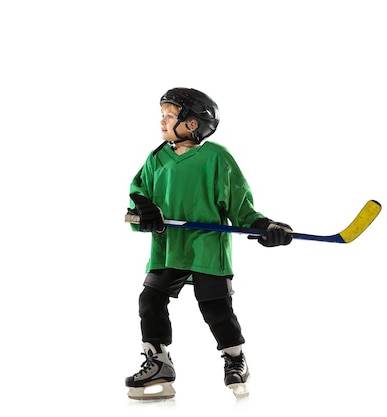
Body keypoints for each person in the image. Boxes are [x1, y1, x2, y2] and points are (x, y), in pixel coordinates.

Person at [124, 87, 293, 400]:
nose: (162, 122)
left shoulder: (217, 158)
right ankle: (158, 361)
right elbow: (139, 194)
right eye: (161, 116)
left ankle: (235, 358)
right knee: (150, 301)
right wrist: (143, 211)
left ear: (191, 124)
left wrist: (265, 227)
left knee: (215, 307)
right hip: (168, 247)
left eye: (170, 116)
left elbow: (241, 207)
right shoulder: (156, 158)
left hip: (206, 248)